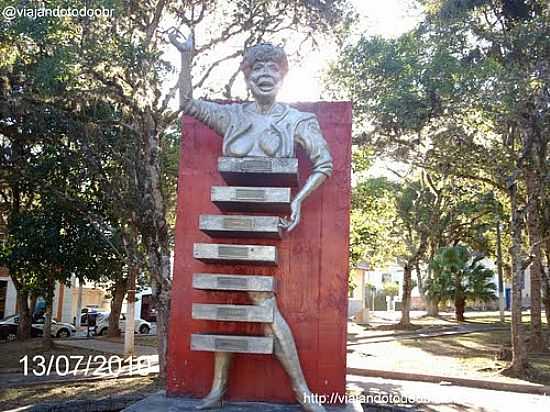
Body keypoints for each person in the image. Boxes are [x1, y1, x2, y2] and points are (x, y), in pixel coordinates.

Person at [170, 30, 331, 412]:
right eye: (257, 67)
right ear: (246, 74)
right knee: (227, 301)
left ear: (283, 75)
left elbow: (324, 163)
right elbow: (188, 102)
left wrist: (299, 201)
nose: (264, 73)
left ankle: (300, 390)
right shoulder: (231, 117)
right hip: (228, 222)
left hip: (265, 223)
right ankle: (218, 390)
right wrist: (187, 58)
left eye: (272, 67)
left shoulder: (298, 121)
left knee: (261, 301)